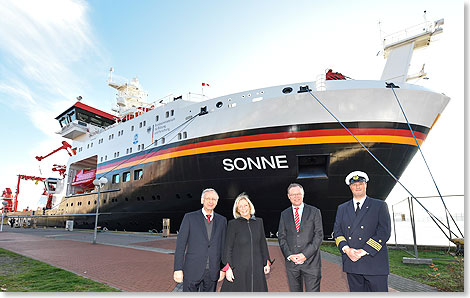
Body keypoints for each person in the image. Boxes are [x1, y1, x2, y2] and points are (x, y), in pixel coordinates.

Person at [333, 171, 391, 292]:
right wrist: (347, 250)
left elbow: (384, 232)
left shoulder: (379, 205)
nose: (357, 187)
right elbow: (337, 233)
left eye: (360, 183)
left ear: (366, 185)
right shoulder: (342, 208)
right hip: (352, 262)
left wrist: (364, 251)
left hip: (374, 263)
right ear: (350, 187)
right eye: (354, 184)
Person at [173, 188, 227, 292]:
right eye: (207, 198)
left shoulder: (222, 220)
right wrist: (177, 269)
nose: (210, 201)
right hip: (192, 270)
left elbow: (223, 246)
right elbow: (180, 245)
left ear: (217, 202)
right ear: (202, 200)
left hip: (212, 271)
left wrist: (222, 268)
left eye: (213, 199)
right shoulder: (189, 218)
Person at [220, 193, 272, 292]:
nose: (244, 208)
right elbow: (228, 247)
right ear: (237, 210)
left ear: (250, 206)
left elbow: (263, 244)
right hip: (239, 269)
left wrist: (267, 262)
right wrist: (228, 268)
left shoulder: (259, 222)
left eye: (245, 205)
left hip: (257, 267)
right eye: (240, 206)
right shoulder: (233, 224)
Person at [278, 183, 323, 292]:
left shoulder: (314, 211)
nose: (296, 197)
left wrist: (305, 255)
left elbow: (319, 235)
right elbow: (281, 237)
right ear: (288, 196)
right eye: (293, 195)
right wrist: (289, 255)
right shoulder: (284, 214)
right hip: (292, 264)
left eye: (298, 194)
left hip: (311, 263)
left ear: (303, 194)